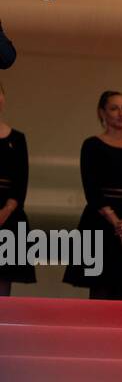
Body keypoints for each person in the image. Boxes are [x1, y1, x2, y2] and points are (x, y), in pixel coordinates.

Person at [63, 91, 122, 299]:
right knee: (100, 288)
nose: (121, 113)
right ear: (102, 113)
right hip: (100, 221)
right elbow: (92, 189)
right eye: (114, 108)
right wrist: (117, 224)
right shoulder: (92, 145)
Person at [0, 82, 35, 293]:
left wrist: (5, 212)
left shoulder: (17, 138)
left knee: (4, 280)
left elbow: (21, 181)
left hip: (9, 215)